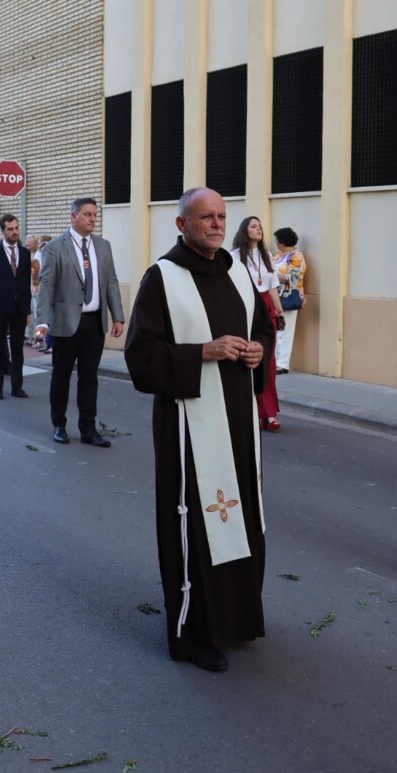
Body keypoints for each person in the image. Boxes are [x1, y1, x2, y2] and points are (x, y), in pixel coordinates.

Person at [124, 187, 275, 672]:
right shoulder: (162, 279)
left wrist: (257, 353)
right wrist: (202, 352)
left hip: (237, 419)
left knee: (241, 518)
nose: (215, 224)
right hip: (189, 423)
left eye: (221, 217)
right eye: (205, 217)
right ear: (182, 225)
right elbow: (140, 358)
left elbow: (264, 332)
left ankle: (237, 619)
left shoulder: (239, 273)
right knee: (201, 525)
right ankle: (196, 635)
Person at [35, 198, 125, 446]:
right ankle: (59, 425)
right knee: (61, 376)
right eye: (87, 214)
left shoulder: (103, 246)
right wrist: (42, 321)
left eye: (95, 215)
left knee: (89, 379)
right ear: (73, 216)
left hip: (94, 323)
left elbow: (111, 282)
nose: (92, 219)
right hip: (65, 322)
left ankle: (88, 429)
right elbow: (46, 285)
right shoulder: (55, 247)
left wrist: (117, 315)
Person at [231, 216, 284, 431]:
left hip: (266, 310)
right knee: (245, 361)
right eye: (254, 226)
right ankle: (247, 410)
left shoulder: (267, 256)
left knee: (268, 365)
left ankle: (269, 414)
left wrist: (279, 313)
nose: (259, 229)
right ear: (244, 232)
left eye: (260, 226)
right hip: (244, 308)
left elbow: (271, 288)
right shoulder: (233, 257)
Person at [0, 214, 31, 399]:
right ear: (3, 231)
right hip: (0, 307)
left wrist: (28, 309)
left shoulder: (25, 253)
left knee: (18, 349)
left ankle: (17, 387)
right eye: (10, 229)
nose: (15, 232)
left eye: (16, 228)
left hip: (19, 308)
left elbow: (25, 283)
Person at [272, 227, 307, 375]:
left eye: (276, 240)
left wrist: (272, 276)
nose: (275, 243)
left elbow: (292, 278)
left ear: (282, 242)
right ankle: (275, 361)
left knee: (285, 330)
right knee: (277, 329)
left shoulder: (296, 256)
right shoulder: (279, 255)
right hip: (277, 295)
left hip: (289, 296)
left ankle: (282, 363)